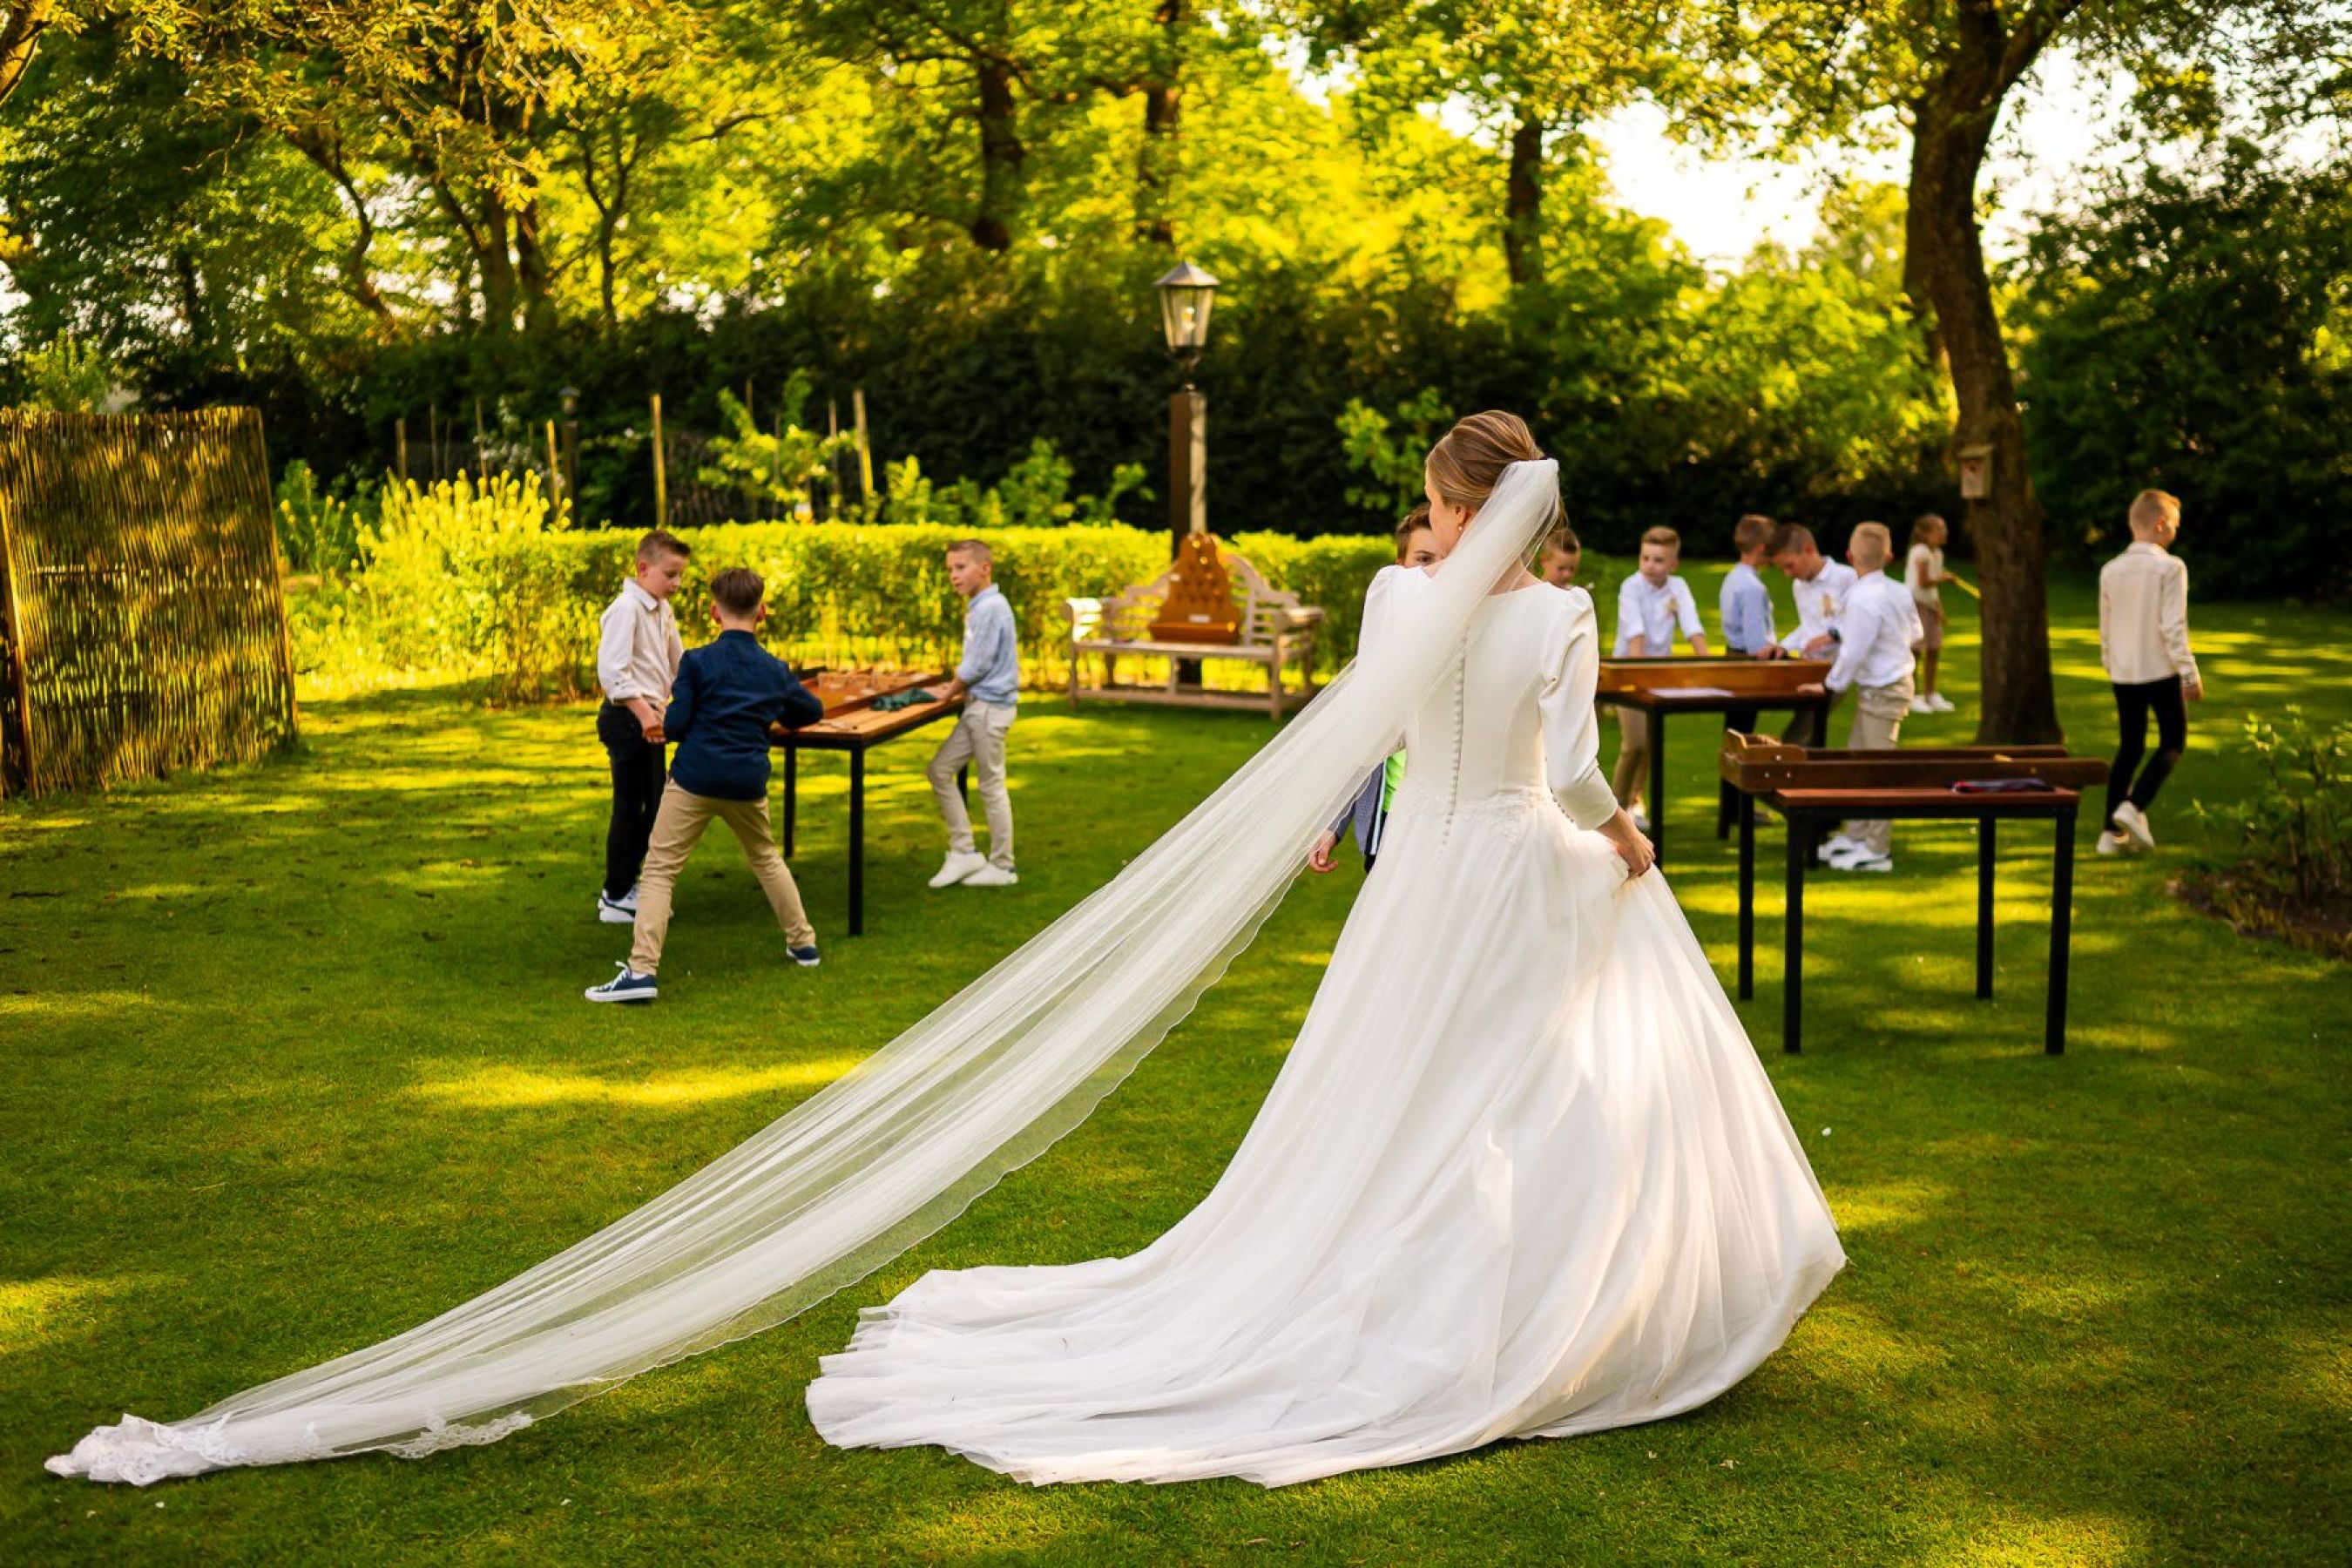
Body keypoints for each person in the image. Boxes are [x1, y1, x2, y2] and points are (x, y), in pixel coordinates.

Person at [51, 416, 1845, 1493]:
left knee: (1396, 1108)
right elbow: (1579, 771)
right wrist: (1617, 839)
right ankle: (1547, 1305)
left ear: (1450, 503)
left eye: (1444, 501)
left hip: (1420, 884)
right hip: (1516, 868)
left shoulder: (1393, 598)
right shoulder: (1568, 617)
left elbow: (1385, 736)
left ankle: (1438, 1296)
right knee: (1530, 1097)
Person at [585, 568, 825, 1002]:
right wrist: (776, 714)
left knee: (660, 870)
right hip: (747, 782)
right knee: (767, 858)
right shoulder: (774, 669)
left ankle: (642, 972)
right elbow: (810, 710)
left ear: (715, 612)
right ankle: (803, 943)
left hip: (694, 779)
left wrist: (675, 720)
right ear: (763, 612)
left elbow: (675, 724)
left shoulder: (697, 661)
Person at [1309, 505, 1436, 875]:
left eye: (1444, 562)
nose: (1432, 573)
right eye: (1423, 560)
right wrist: (1333, 825)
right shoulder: (1387, 647)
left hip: (1439, 824)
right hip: (1386, 821)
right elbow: (1359, 745)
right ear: (1400, 566)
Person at [1805, 523, 1922, 873]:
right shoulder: (1898, 590)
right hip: (1883, 686)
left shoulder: (1860, 598)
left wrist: (1827, 687)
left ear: (1849, 556)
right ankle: (1857, 834)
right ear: (1888, 556)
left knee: (1878, 769)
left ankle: (1877, 848)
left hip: (1885, 689)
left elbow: (1853, 653)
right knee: (1859, 762)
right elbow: (1915, 633)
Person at [2097, 490, 2202, 856]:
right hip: (2160, 669)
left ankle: (2110, 834)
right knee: (2173, 742)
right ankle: (2133, 805)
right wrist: (2189, 673)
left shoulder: (2110, 569)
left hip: (2124, 672)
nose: (2175, 531)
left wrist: (2110, 663)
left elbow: (2105, 626)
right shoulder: (2170, 567)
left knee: (2130, 746)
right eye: (2174, 524)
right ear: (2160, 524)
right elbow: (2173, 625)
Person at [594, 530, 688, 924]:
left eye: (681, 575)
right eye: (670, 574)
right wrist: (644, 713)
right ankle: (615, 895)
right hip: (627, 720)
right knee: (630, 808)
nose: (677, 584)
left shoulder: (662, 609)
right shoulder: (626, 609)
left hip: (652, 719)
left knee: (655, 807)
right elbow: (612, 671)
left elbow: (676, 661)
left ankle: (627, 884)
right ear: (643, 567)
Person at [926, 540, 1021, 889]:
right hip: (979, 707)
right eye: (950, 568)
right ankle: (964, 851)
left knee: (991, 784)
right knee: (940, 770)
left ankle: (1003, 865)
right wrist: (958, 690)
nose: (954, 575)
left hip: (989, 710)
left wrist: (947, 692)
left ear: (985, 568)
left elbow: (977, 664)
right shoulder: (984, 606)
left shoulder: (989, 608)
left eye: (961, 567)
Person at [1610, 525, 1707, 828]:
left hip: (1658, 673)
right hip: (1627, 671)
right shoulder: (1631, 587)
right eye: (1646, 558)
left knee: (1651, 743)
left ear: (1673, 564)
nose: (1650, 565)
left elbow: (1692, 625)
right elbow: (1635, 633)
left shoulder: (1678, 587)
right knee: (1634, 744)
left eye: (1658, 560)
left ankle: (1636, 803)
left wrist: (1708, 664)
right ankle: (1614, 810)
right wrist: (1641, 675)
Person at [1767, 523, 1857, 747]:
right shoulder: (1799, 585)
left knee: (1799, 733)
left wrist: (1834, 634)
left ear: (1808, 550)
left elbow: (1861, 624)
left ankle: (1788, 770)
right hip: (1807, 667)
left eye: (1790, 565)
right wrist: (1784, 645)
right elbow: (1808, 628)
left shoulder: (1847, 578)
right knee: (1804, 727)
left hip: (1837, 668)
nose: (1787, 574)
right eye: (1782, 569)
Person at [1719, 512, 1779, 741]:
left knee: (1733, 730)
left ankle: (1728, 776)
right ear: (1763, 549)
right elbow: (1756, 643)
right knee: (1742, 733)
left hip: (1732, 658)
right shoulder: (1753, 588)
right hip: (1747, 665)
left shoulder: (1733, 577)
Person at [1905, 514, 1961, 714]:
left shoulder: (1937, 554)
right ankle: (1913, 695)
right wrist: (1944, 578)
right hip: (1916, 605)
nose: (1944, 533)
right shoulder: (1920, 552)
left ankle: (1930, 694)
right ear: (1924, 533)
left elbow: (1931, 589)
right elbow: (1922, 582)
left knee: (1934, 649)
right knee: (1916, 651)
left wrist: (1939, 608)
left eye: (1944, 528)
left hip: (1929, 606)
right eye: (1939, 529)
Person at [1538, 521, 1581, 587]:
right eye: (1561, 568)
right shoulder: (1535, 592)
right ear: (1544, 561)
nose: (1567, 575)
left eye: (1572, 568)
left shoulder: (1576, 594)